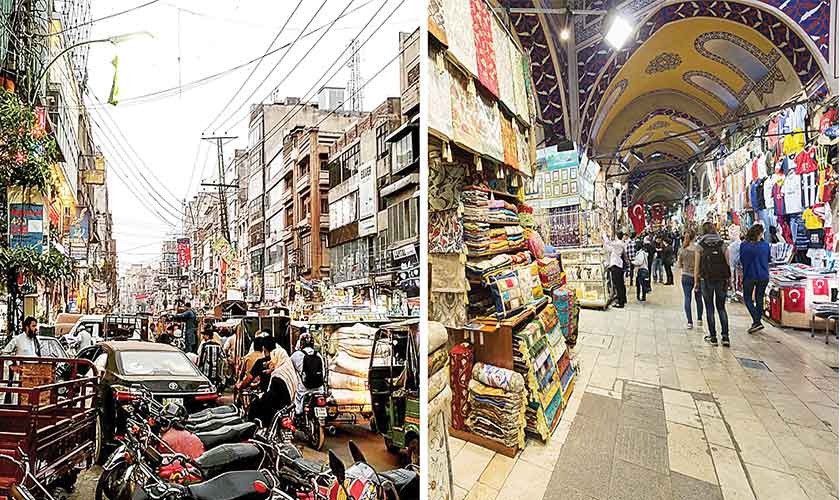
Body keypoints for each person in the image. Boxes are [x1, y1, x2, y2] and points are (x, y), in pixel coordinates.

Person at [694, 222, 731, 346]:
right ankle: (725, 337)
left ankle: (713, 337)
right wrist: (729, 280)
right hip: (721, 280)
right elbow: (728, 263)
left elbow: (697, 267)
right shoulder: (723, 244)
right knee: (721, 308)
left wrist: (696, 282)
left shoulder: (700, 246)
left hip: (706, 279)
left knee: (709, 308)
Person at [740, 224, 771, 334]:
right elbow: (769, 259)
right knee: (759, 298)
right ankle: (757, 322)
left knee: (747, 298)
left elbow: (742, 260)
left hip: (749, 275)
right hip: (763, 275)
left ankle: (756, 321)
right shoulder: (765, 246)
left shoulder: (744, 246)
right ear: (759, 234)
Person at [290, 331, 325, 415]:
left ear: (301, 343)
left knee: (297, 406)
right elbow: (323, 372)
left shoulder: (296, 355)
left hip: (303, 389)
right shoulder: (318, 355)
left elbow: (290, 369)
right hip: (318, 388)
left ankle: (298, 415)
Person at [677, 230, 704, 329]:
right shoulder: (699, 249)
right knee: (698, 298)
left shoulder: (682, 249)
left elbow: (679, 265)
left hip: (685, 276)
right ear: (695, 237)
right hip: (697, 277)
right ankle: (699, 319)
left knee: (687, 298)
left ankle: (689, 322)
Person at [602, 231, 627, 308]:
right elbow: (610, 248)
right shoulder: (619, 244)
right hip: (617, 265)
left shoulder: (619, 243)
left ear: (617, 236)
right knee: (620, 284)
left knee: (618, 284)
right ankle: (623, 299)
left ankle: (620, 303)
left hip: (616, 266)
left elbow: (608, 242)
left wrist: (604, 235)